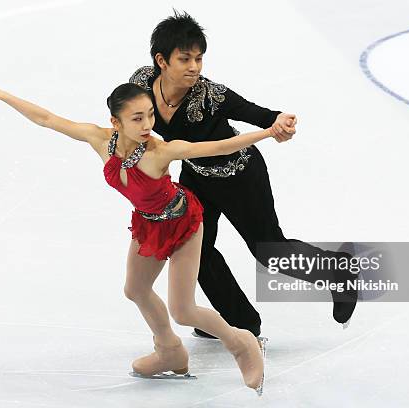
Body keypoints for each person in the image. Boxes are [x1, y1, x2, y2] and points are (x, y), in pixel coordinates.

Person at [0, 79, 284, 395]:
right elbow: (47, 119)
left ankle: (242, 344)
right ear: (115, 122)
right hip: (149, 223)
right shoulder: (99, 139)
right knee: (136, 289)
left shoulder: (160, 150)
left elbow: (217, 147)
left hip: (183, 222)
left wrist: (269, 130)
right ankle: (169, 350)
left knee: (183, 310)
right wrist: (2, 95)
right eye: (138, 118)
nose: (148, 124)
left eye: (150, 115)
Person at [129, 11, 358, 339]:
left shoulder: (211, 96)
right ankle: (240, 321)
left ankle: (338, 271)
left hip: (240, 177)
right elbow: (127, 112)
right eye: (185, 59)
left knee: (269, 251)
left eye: (199, 58)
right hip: (196, 176)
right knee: (196, 250)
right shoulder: (141, 84)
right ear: (161, 60)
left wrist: (280, 122)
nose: (194, 66)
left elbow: (259, 114)